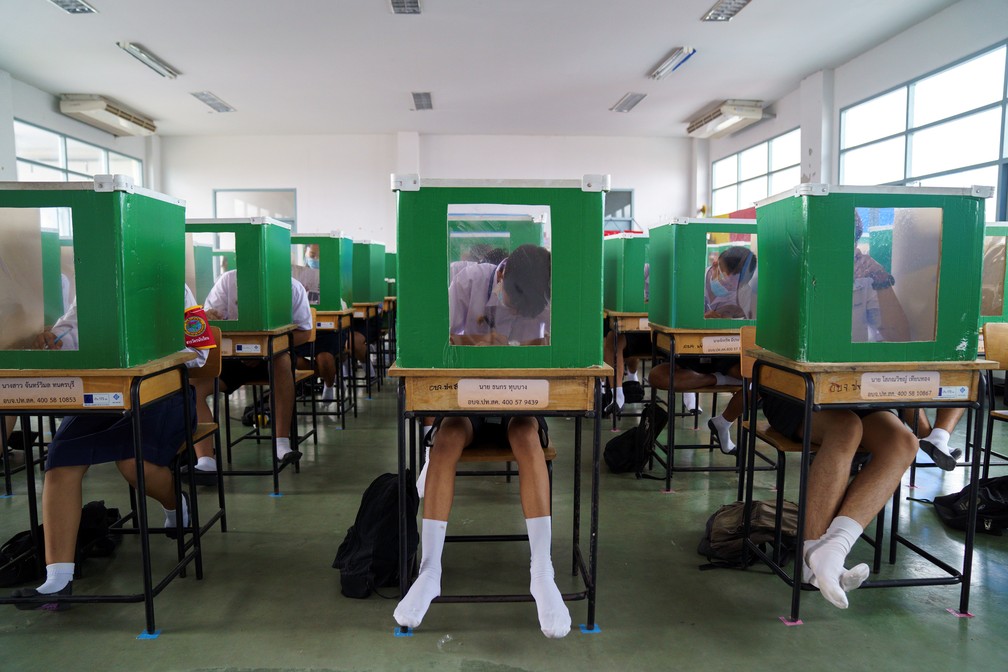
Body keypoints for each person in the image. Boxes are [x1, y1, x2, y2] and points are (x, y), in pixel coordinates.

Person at [396, 244, 570, 638]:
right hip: (466, 397)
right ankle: (430, 571)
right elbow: (434, 342)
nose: (515, 313)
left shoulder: (543, 296)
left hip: (519, 399)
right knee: (448, 437)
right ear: (503, 273)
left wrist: (532, 349)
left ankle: (542, 572)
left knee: (527, 436)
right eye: (511, 304)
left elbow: (557, 350)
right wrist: (477, 342)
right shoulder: (467, 281)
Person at [10, 286, 209, 609]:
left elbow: (201, 354)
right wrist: (54, 339)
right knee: (61, 459)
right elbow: (72, 330)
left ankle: (177, 506)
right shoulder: (97, 284)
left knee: (134, 463)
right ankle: (57, 581)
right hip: (108, 391)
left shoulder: (175, 287)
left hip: (164, 391)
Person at [758, 211, 916, 609]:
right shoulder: (785, 272)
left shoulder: (866, 275)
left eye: (852, 243)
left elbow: (898, 336)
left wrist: (878, 279)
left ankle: (832, 550)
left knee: (903, 440)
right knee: (845, 429)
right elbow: (785, 341)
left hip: (850, 389)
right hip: (792, 388)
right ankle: (812, 562)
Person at [190, 270, 313, 481]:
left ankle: (281, 442)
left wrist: (265, 347)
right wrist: (210, 318)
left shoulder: (291, 287)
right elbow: (212, 321)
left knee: (282, 362)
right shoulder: (228, 281)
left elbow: (305, 332)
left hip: (273, 356)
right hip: (233, 358)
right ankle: (206, 460)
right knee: (193, 385)